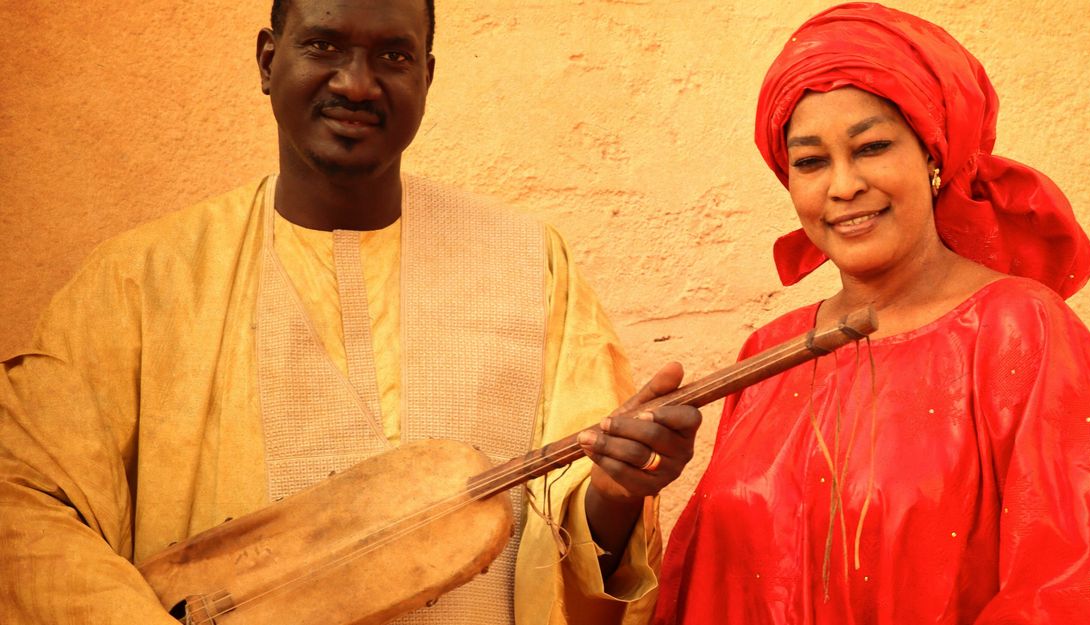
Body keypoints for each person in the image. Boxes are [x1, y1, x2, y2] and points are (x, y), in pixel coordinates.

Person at [0, 1, 701, 623]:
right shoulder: (140, 282)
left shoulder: (531, 263)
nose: (357, 83)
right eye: (324, 46)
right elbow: (27, 503)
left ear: (426, 75)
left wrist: (613, 493)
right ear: (269, 60)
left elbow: (588, 516)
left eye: (392, 55)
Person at [652, 3, 1090, 623]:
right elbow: (714, 585)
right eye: (810, 161)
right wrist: (618, 499)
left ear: (933, 154)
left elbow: (1079, 585)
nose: (842, 186)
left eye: (871, 147)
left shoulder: (1017, 327)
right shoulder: (769, 352)